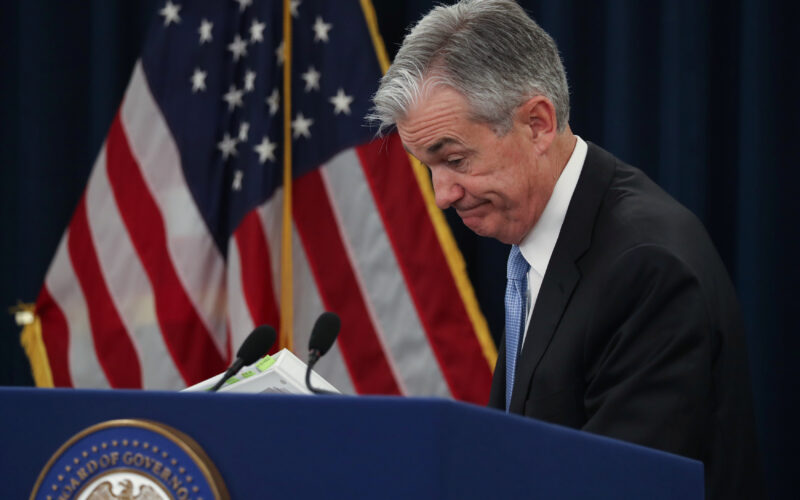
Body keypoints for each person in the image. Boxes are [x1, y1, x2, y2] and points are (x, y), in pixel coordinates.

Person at [369, 0, 764, 498]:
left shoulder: (648, 268)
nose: (441, 195)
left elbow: (619, 487)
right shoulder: (541, 238)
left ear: (537, 123)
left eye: (455, 160)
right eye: (427, 166)